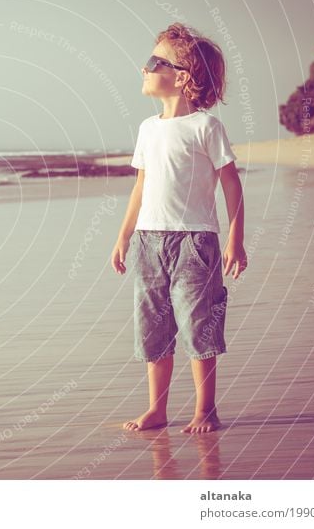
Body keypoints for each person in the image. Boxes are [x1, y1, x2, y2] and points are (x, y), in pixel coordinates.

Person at [110, 23, 247, 434]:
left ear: (182, 76)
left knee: (198, 325)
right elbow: (140, 186)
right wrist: (123, 235)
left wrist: (235, 240)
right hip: (149, 241)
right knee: (153, 327)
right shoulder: (147, 129)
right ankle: (157, 409)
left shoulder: (205, 127)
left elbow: (231, 182)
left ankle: (206, 409)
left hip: (195, 240)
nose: (144, 68)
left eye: (155, 62)